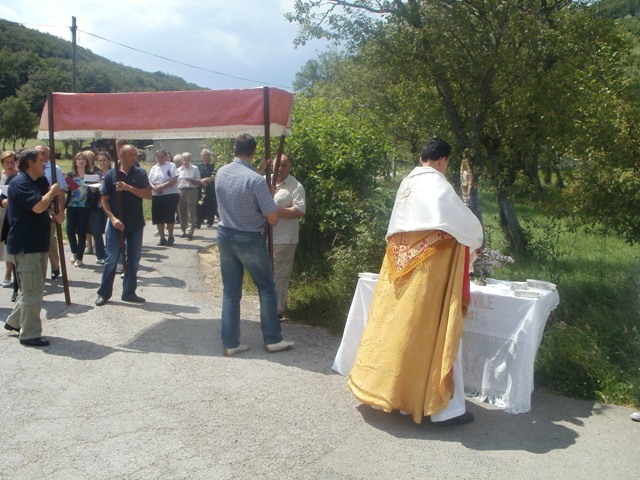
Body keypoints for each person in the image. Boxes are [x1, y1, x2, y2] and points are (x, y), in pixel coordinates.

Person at [347, 137, 483, 425]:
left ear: (422, 156)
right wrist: (477, 235)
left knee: (396, 327)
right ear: (443, 160)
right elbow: (465, 225)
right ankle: (437, 407)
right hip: (428, 273)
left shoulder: (406, 183)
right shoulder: (438, 184)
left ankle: (394, 394)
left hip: (397, 269)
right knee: (428, 331)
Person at [215, 134, 294, 356]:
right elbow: (273, 218)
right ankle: (272, 339)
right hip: (248, 237)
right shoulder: (256, 181)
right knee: (267, 288)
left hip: (224, 233)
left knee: (231, 292)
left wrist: (259, 172)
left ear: (234, 148)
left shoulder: (221, 172)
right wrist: (269, 198)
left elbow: (240, 188)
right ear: (254, 151)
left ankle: (230, 343)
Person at [3, 149, 64, 347]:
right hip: (25, 245)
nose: (44, 163)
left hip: (39, 242)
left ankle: (14, 322)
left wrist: (57, 215)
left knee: (33, 288)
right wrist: (52, 193)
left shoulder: (40, 182)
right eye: (40, 160)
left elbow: (44, 209)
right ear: (30, 163)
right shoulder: (19, 183)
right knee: (32, 290)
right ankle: (29, 334)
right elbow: (38, 206)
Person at [95, 144, 152, 306]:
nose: (135, 157)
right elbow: (104, 201)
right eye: (132, 155)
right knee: (111, 259)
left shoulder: (140, 173)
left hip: (135, 223)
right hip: (116, 223)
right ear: (121, 156)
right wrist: (113, 219)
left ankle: (129, 292)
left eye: (136, 154)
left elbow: (148, 195)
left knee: (133, 259)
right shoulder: (112, 175)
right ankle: (104, 293)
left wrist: (128, 188)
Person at [272, 154, 306, 318]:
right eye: (277, 164)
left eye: (284, 165)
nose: (280, 168)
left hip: (284, 239)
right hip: (265, 238)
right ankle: (268, 306)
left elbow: (299, 210)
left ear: (290, 166)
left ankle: (278, 310)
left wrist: (274, 212)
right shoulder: (265, 181)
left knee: (280, 275)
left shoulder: (295, 186)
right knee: (267, 274)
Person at [36, 145, 67, 281]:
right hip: (33, 206)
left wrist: (61, 210)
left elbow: (60, 192)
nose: (40, 155)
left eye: (43, 152)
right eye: (37, 153)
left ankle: (55, 266)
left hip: (49, 207)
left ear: (49, 154)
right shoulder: (30, 169)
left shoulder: (55, 169)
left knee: (49, 238)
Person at [65, 151, 94, 267]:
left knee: (82, 231)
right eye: (79, 159)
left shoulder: (90, 175)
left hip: (85, 207)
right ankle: (74, 252)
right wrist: (66, 188)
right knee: (69, 230)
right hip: (72, 206)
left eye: (83, 159)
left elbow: (95, 190)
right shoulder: (70, 175)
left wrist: (94, 190)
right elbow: (66, 190)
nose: (81, 161)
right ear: (75, 162)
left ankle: (79, 258)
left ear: (87, 162)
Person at [148, 149, 179, 245]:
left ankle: (170, 236)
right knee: (158, 217)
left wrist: (162, 186)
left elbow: (174, 179)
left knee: (169, 216)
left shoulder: (171, 165)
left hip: (170, 194)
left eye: (162, 156)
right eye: (158, 156)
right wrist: (155, 188)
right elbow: (149, 180)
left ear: (166, 157)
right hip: (157, 194)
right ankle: (162, 238)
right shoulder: (154, 168)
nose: (160, 158)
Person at [90, 151, 112, 264]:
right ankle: (100, 254)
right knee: (96, 230)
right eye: (100, 161)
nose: (102, 162)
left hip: (109, 206)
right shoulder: (95, 174)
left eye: (104, 160)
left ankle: (110, 253)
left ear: (109, 161)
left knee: (109, 231)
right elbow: (92, 190)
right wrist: (93, 188)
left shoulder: (113, 173)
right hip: (97, 206)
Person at [1, 151, 17, 288]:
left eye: (13, 162)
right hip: (0, 212)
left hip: (11, 215)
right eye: (7, 162)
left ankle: (8, 273)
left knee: (8, 245)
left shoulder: (19, 177)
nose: (10, 165)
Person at [176, 152, 200, 240]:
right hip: (181, 191)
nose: (185, 162)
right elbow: (176, 182)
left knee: (191, 212)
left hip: (191, 190)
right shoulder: (178, 170)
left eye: (187, 160)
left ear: (190, 160)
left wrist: (191, 180)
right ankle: (183, 230)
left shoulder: (195, 168)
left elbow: (198, 182)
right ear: (181, 160)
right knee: (181, 212)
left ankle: (190, 232)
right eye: (184, 160)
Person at [196, 148, 217, 228]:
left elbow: (215, 176)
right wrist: (201, 181)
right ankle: (198, 222)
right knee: (200, 205)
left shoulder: (213, 165)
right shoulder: (198, 166)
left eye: (206, 155)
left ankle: (210, 222)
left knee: (211, 205)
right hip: (201, 188)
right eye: (203, 155)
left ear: (210, 156)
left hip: (210, 188)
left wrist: (206, 180)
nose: (205, 157)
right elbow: (197, 176)